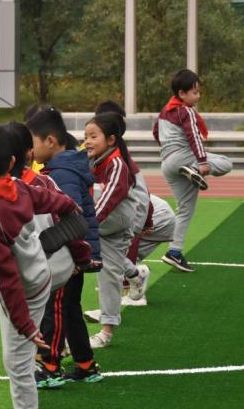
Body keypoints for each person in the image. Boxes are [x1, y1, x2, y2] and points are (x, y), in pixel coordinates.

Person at [0, 123, 79, 409]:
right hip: (34, 275)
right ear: (12, 162)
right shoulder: (16, 187)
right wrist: (68, 206)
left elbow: (7, 282)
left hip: (25, 290)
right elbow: (47, 198)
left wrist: (25, 325)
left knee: (17, 364)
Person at [25, 109, 103, 387]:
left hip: (68, 254)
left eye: (32, 143)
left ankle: (50, 366)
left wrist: (57, 250)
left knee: (55, 308)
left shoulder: (62, 172)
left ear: (50, 141)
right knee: (69, 309)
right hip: (74, 252)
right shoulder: (63, 167)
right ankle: (86, 365)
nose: (29, 150)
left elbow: (71, 217)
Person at [153, 69, 232, 273]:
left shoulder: (164, 111)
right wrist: (202, 162)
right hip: (183, 156)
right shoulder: (185, 110)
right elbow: (194, 136)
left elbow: (155, 132)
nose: (198, 96)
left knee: (184, 210)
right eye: (195, 92)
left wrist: (168, 151)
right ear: (182, 93)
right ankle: (193, 169)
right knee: (226, 163)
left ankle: (174, 252)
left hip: (167, 163)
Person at [84, 112, 140, 349]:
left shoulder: (116, 164)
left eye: (93, 136)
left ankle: (106, 332)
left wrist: (85, 226)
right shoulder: (91, 159)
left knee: (108, 275)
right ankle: (136, 274)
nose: (87, 141)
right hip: (101, 225)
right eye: (86, 136)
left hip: (115, 224)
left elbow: (106, 202)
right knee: (110, 264)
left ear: (110, 140)